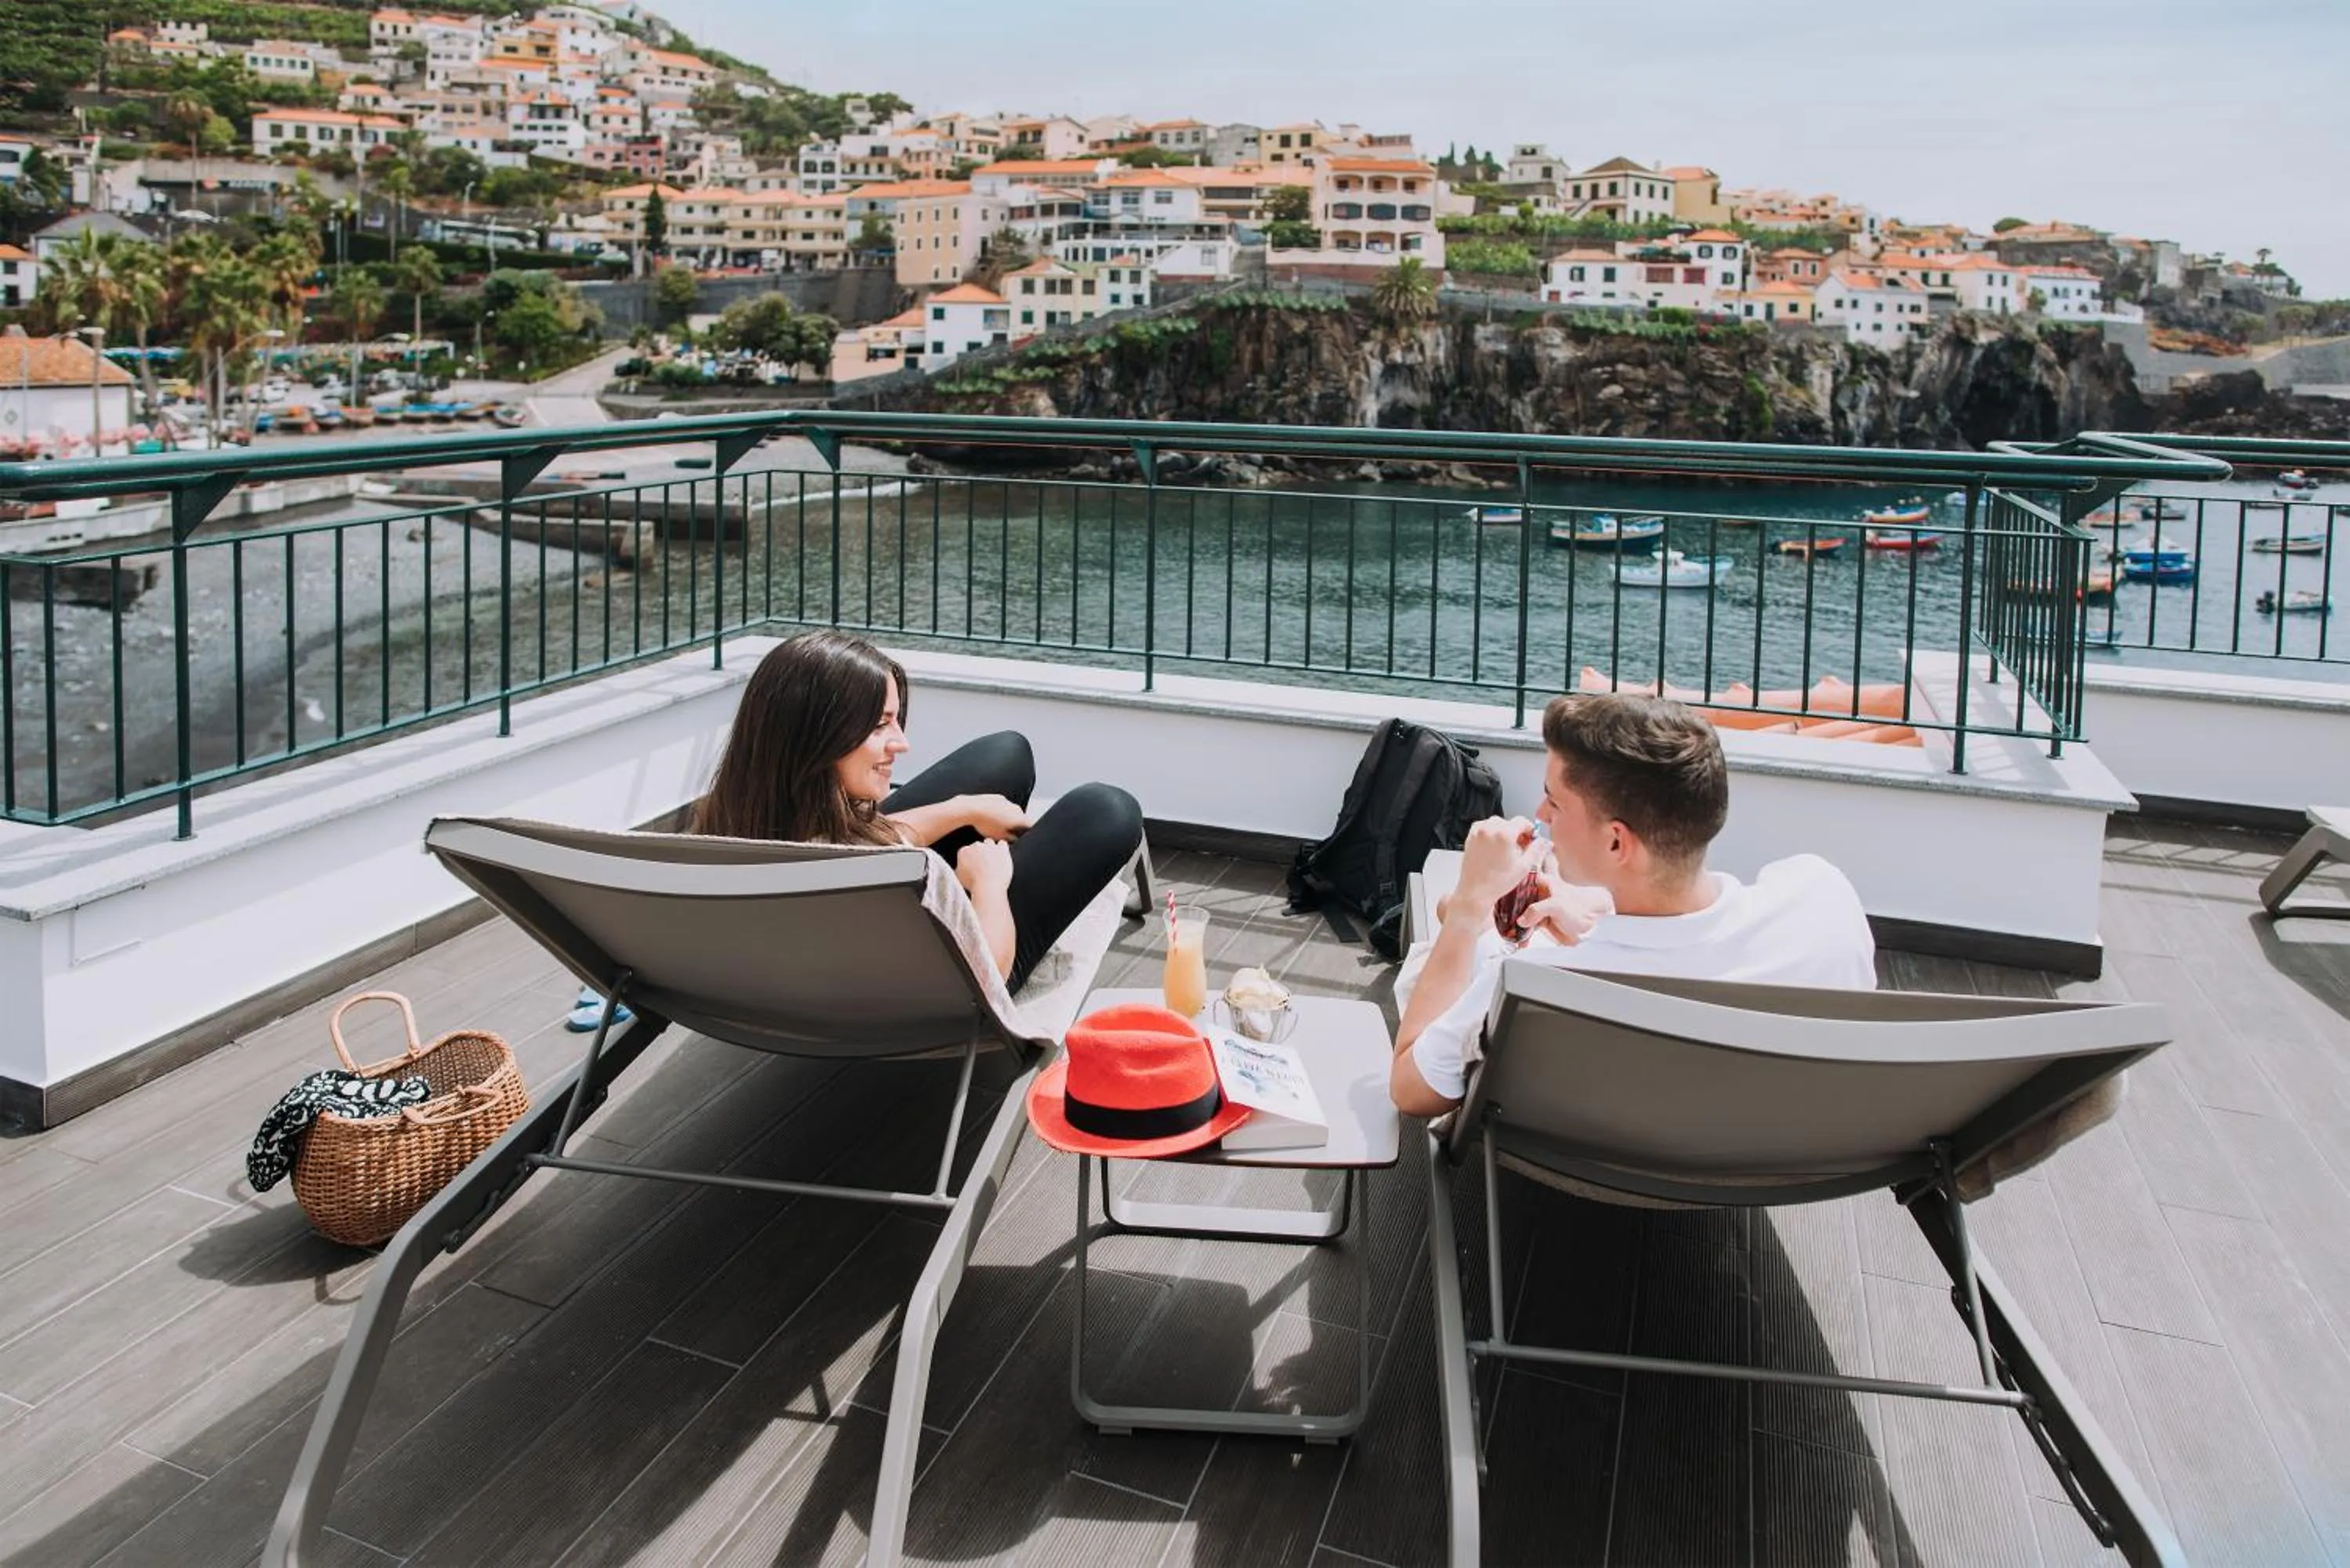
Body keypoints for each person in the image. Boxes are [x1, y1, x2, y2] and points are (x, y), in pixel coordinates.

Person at [1390, 692, 1876, 1117]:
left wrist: (1471, 905)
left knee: (1453, 922)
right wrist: (1604, 926)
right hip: (1780, 1157)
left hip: (1590, 1167)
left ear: (1618, 844)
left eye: (1553, 802)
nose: (1541, 816)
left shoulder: (1531, 984)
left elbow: (1409, 1088)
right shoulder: (1823, 899)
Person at [689, 630, 1144, 992]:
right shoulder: (874, 878)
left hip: (806, 965)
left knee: (1005, 753)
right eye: (879, 725)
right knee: (1107, 810)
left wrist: (962, 808)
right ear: (817, 739)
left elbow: (855, 847)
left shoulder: (727, 837)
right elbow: (988, 975)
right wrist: (988, 884)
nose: (901, 744)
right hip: (935, 993)